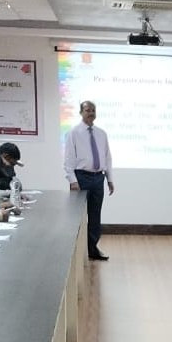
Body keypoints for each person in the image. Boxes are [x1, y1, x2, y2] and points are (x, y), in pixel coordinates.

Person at [64, 99, 114, 261]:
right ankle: (74, 252)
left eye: (93, 110)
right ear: (81, 113)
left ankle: (93, 249)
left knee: (95, 215)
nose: (91, 113)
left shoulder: (101, 133)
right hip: (81, 178)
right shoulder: (74, 133)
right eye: (87, 110)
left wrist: (109, 179)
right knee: (77, 216)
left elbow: (107, 157)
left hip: (98, 178)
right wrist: (73, 180)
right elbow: (69, 159)